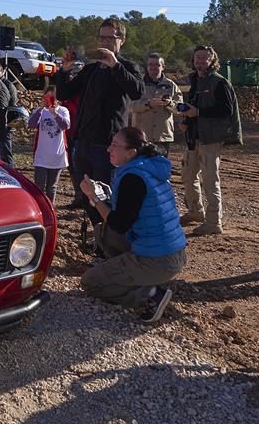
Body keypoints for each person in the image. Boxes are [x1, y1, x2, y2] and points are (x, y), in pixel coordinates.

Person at [79, 126, 187, 323]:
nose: (108, 149)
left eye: (115, 145)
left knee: (90, 283)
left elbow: (120, 224)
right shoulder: (148, 166)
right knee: (102, 232)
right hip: (171, 252)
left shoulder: (133, 177)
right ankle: (133, 274)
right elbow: (131, 210)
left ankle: (149, 295)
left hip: (157, 259)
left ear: (131, 153)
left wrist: (93, 198)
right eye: (111, 144)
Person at [55, 18, 145, 201]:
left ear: (122, 40)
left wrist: (116, 66)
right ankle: (96, 227)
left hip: (107, 144)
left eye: (110, 39)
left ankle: (107, 228)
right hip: (83, 142)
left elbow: (137, 92)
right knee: (85, 193)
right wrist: (64, 71)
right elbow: (64, 94)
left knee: (105, 195)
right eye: (102, 38)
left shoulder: (127, 67)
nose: (105, 43)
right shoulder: (91, 68)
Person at [178, 45, 241, 236]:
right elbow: (195, 106)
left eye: (204, 58)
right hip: (195, 137)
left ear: (212, 60)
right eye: (197, 57)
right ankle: (196, 211)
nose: (200, 61)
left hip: (211, 139)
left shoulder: (219, 83)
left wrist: (198, 113)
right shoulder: (196, 80)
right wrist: (187, 120)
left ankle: (214, 222)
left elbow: (226, 111)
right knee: (187, 175)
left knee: (210, 179)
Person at [130, 53, 181, 155]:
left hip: (162, 137)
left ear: (163, 67)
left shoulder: (171, 86)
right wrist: (148, 104)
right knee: (141, 168)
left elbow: (180, 109)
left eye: (157, 65)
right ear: (147, 66)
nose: (153, 67)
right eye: (150, 64)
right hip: (142, 136)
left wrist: (169, 104)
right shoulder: (138, 84)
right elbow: (130, 106)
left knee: (160, 168)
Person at [27, 88, 70, 201]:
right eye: (47, 97)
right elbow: (31, 124)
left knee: (52, 187)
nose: (50, 100)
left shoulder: (63, 110)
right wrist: (41, 109)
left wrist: (55, 114)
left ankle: (50, 210)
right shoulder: (39, 111)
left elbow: (66, 126)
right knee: (38, 187)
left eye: (53, 98)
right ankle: (40, 209)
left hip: (57, 155)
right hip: (42, 155)